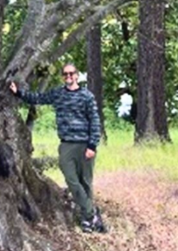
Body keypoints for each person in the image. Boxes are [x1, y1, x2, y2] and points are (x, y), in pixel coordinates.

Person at [10, 65, 106, 233]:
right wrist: (19, 93)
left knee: (86, 182)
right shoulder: (58, 93)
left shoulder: (86, 96)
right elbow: (38, 98)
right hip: (67, 144)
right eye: (65, 74)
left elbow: (95, 122)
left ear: (77, 76)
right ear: (63, 77)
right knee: (71, 180)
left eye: (71, 73)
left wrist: (92, 145)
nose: (68, 76)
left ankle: (86, 220)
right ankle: (92, 214)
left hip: (85, 145)